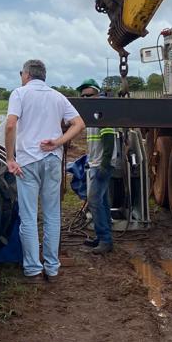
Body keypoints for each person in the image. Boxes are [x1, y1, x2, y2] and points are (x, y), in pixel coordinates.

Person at [5, 59, 85, 282]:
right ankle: (52, 267)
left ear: (27, 75)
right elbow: (79, 124)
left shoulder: (19, 94)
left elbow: (11, 125)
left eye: (22, 73)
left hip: (28, 161)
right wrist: (59, 141)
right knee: (52, 215)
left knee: (29, 217)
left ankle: (32, 269)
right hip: (51, 159)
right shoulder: (58, 97)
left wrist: (9, 158)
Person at [77, 78, 115, 254]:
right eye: (83, 96)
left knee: (94, 202)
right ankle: (103, 238)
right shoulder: (92, 116)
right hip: (95, 164)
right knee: (103, 203)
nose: (85, 98)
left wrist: (104, 166)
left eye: (89, 95)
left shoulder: (101, 113)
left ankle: (105, 240)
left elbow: (109, 141)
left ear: (97, 94)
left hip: (101, 166)